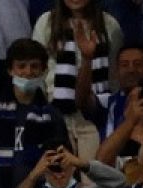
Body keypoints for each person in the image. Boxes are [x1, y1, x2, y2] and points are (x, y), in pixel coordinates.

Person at [0, 38, 70, 188]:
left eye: (34, 66)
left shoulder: (52, 115)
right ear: (10, 70)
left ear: (44, 70)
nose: (28, 72)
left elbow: (61, 161)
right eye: (21, 66)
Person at [32, 0, 124, 159]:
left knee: (94, 178)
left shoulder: (109, 25)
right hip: (55, 114)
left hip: (93, 117)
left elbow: (114, 76)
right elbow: (38, 72)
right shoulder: (46, 22)